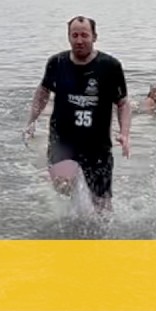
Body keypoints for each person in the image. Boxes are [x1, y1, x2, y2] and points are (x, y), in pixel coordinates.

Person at [23, 16, 131, 212]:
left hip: (97, 145)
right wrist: (31, 121)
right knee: (62, 184)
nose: (79, 40)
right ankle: (76, 199)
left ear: (94, 36)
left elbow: (122, 103)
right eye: (74, 35)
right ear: (68, 37)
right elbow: (43, 92)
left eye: (84, 35)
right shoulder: (57, 62)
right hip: (63, 139)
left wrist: (124, 134)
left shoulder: (110, 66)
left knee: (102, 208)